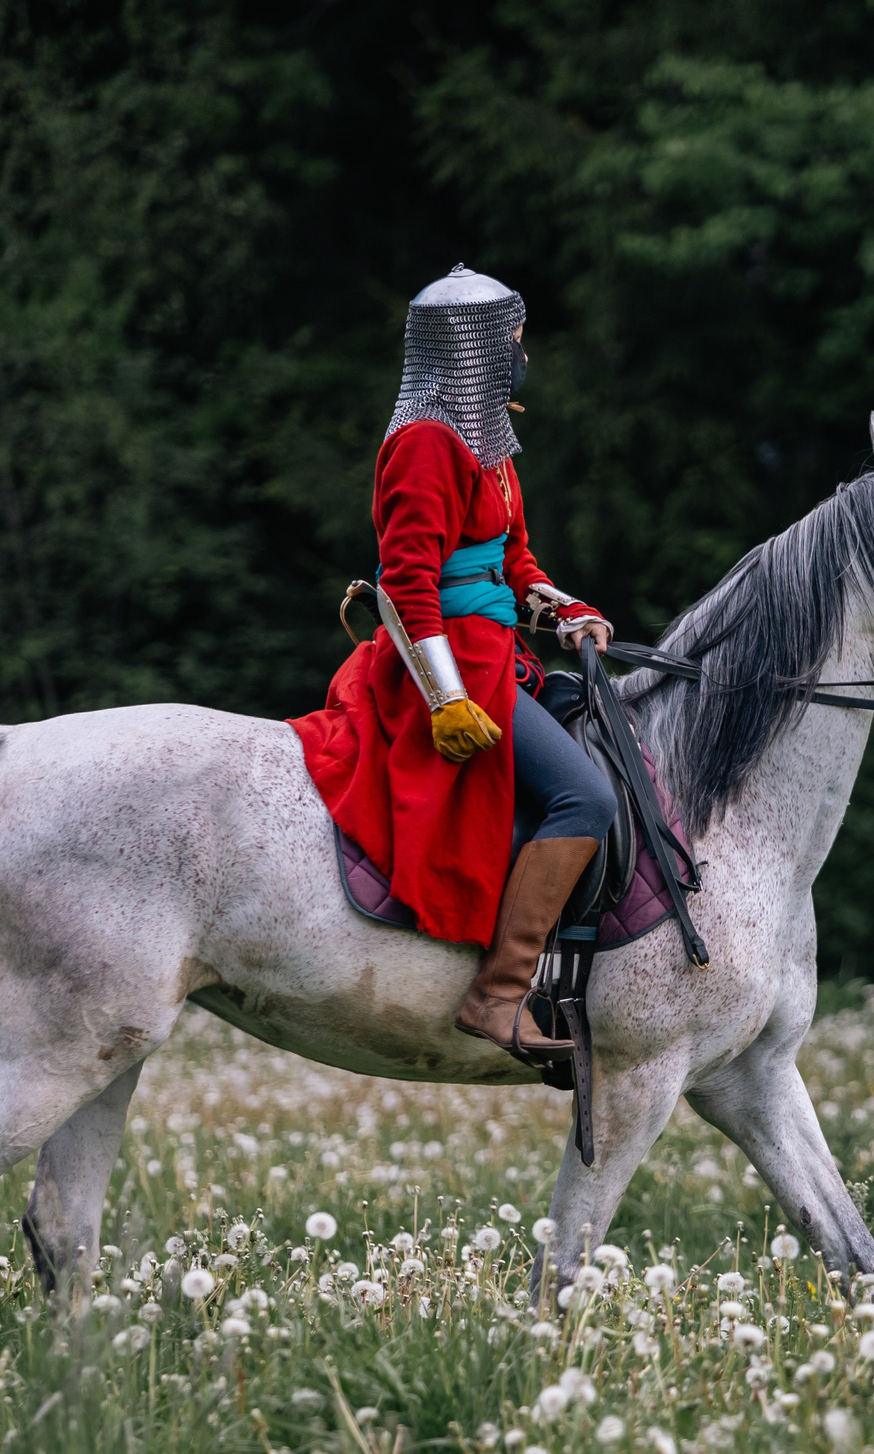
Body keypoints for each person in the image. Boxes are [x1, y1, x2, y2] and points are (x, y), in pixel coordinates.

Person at [291, 265, 616, 1062]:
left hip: (498, 655)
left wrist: (566, 609)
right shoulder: (427, 442)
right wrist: (445, 699)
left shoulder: (491, 442)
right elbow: (405, 584)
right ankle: (500, 993)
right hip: (448, 672)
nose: (520, 351)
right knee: (585, 796)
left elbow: (516, 560)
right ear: (470, 346)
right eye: (510, 335)